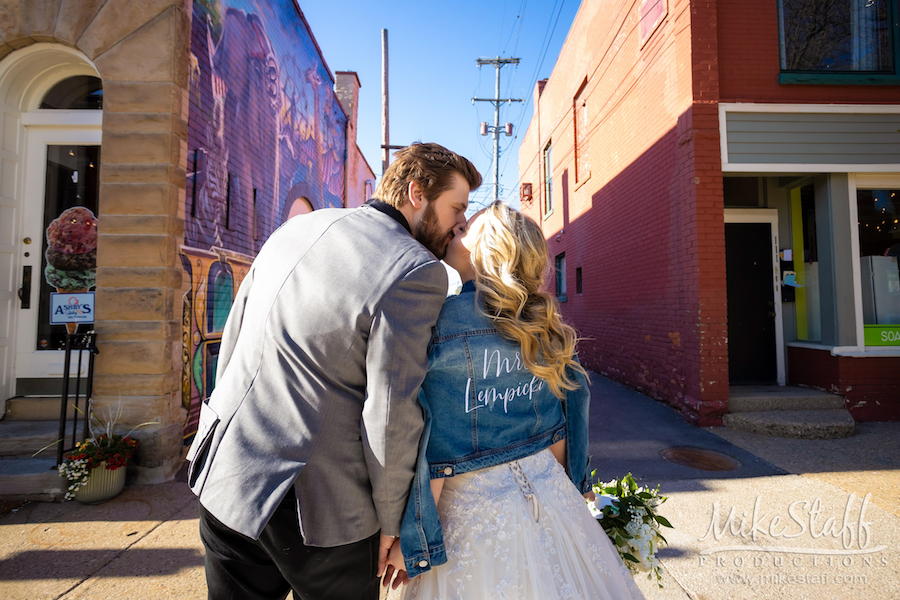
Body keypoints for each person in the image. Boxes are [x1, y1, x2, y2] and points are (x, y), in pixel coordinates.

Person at [186, 142, 482, 600]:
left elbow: (235, 337)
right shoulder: (415, 270)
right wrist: (393, 522)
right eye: (456, 210)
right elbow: (390, 415)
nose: (457, 226)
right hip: (321, 514)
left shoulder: (296, 229)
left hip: (229, 474)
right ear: (417, 192)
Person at [385, 202, 644, 599]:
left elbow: (438, 447)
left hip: (470, 521)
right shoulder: (544, 325)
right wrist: (572, 486)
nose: (455, 231)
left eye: (465, 229)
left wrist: (415, 543)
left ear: (485, 250)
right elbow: (563, 424)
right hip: (550, 498)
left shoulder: (441, 324)